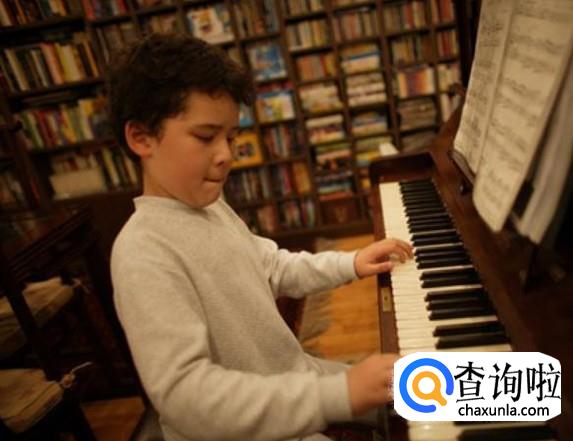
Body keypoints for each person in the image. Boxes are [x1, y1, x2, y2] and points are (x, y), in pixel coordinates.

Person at [108, 33, 412, 441]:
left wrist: (351, 262)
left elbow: (272, 266)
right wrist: (339, 394)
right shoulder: (142, 253)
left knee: (465, 386)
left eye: (231, 137)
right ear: (141, 138)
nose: (227, 155)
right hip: (247, 429)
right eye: (206, 137)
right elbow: (186, 398)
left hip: (295, 382)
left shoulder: (211, 208)